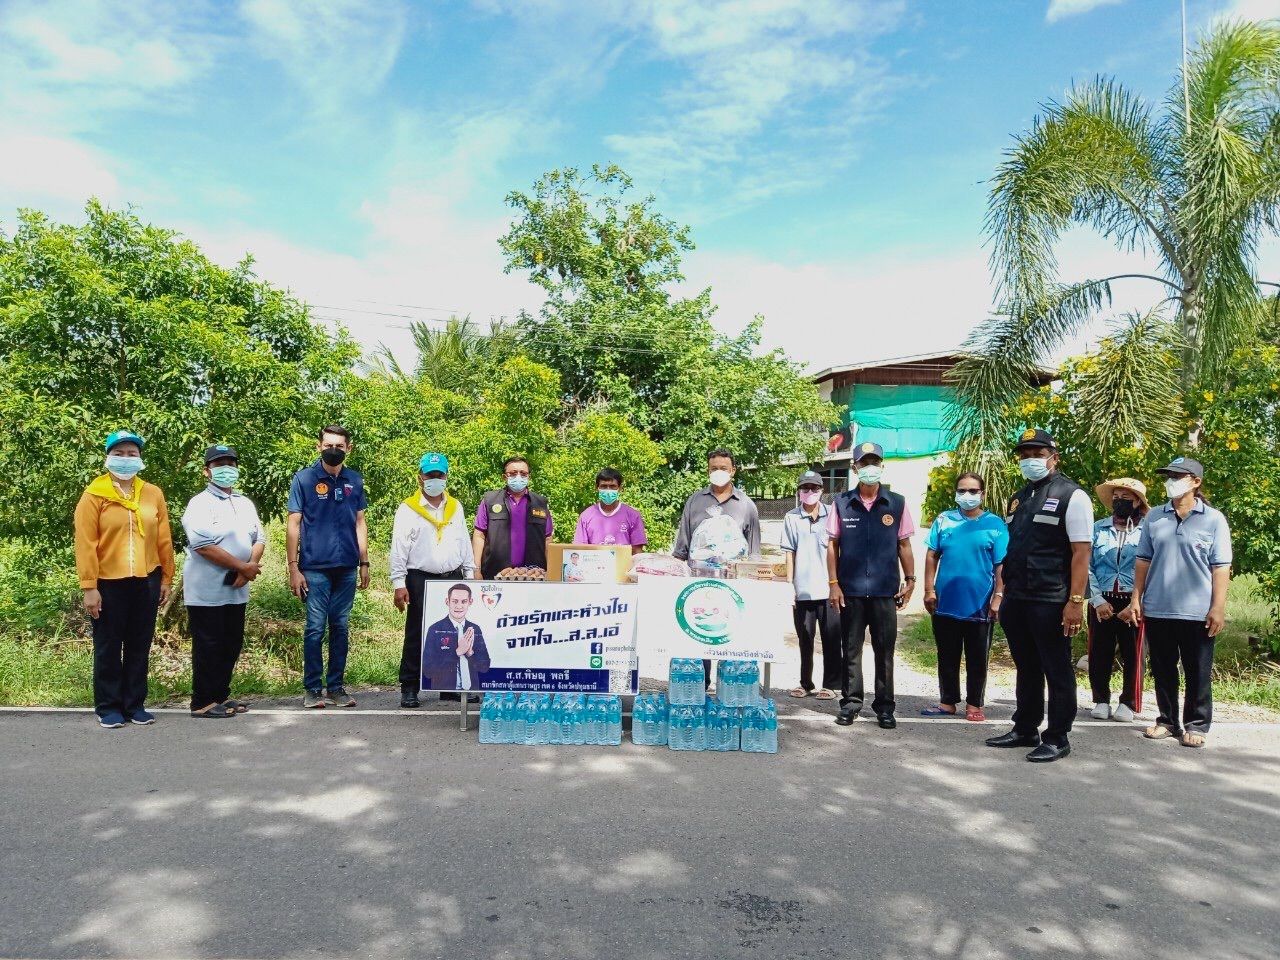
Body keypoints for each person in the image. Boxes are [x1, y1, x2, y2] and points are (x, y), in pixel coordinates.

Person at [985, 429, 1092, 763]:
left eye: (1037, 453)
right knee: (1026, 666)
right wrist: (1003, 593)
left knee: (1056, 668)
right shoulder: (1018, 498)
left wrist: (1076, 602)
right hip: (1018, 595)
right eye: (1024, 454)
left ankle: (1058, 737)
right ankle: (1025, 728)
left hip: (1052, 598)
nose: (1030, 459)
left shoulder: (1072, 495)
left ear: (1053, 457)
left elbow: (1081, 552)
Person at [1121, 457, 1231, 749]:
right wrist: (1136, 598)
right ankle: (1167, 720)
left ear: (1196, 482)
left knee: (1197, 671)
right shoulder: (1155, 517)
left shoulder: (1213, 519)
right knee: (1163, 668)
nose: (1172, 481)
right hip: (1158, 607)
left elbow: (1221, 567)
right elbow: (1143, 560)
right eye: (1169, 476)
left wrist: (1218, 607)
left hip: (1198, 611)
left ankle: (1197, 724)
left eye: (1178, 476)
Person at [74, 430, 175, 729]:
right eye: (119, 453)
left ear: (140, 458)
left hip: (146, 580)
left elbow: (164, 539)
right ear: (108, 457)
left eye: (132, 453)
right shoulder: (94, 494)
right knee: (108, 645)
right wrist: (89, 587)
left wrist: (166, 578)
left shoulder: (152, 493)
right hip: (108, 582)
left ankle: (135, 704)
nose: (126, 459)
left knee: (139, 644)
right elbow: (85, 543)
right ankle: (108, 707)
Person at [827, 442, 916, 730]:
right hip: (851, 591)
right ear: (854, 468)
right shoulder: (842, 503)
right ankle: (851, 704)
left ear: (881, 466)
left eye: (874, 462)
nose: (870, 468)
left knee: (884, 652)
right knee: (851, 650)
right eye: (864, 463)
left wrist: (911, 579)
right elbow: (833, 545)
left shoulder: (897, 503)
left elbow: (904, 544)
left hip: (884, 591)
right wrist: (834, 584)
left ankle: (885, 708)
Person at [286, 425, 369, 709]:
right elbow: (293, 524)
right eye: (328, 445)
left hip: (346, 566)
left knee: (340, 627)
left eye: (339, 446)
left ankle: (335, 688)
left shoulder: (355, 480)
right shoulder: (304, 479)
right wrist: (293, 567)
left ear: (348, 448)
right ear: (319, 446)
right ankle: (312, 689)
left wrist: (364, 562)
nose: (333, 450)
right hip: (314, 567)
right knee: (314, 628)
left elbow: (360, 522)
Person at [181, 445, 265, 719]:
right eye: (219, 464)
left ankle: (220, 695)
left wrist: (248, 568)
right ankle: (202, 701)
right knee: (209, 645)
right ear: (207, 471)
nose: (226, 468)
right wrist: (242, 567)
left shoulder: (243, 503)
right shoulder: (199, 504)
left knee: (231, 643)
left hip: (237, 587)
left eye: (230, 463)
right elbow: (203, 546)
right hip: (206, 590)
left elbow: (259, 538)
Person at [390, 452, 476, 708]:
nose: (434, 479)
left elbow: (464, 542)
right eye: (430, 475)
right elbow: (399, 548)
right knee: (418, 633)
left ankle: (448, 685)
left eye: (439, 475)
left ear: (446, 477)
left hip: (452, 577)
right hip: (421, 579)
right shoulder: (408, 509)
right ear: (420, 477)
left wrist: (470, 575)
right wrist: (399, 583)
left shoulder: (455, 507)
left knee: (453, 631)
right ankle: (409, 686)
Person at [921, 472, 1008, 722]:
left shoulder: (995, 525)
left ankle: (974, 704)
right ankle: (947, 702)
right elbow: (932, 555)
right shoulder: (944, 520)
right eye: (962, 490)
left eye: (972, 491)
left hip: (980, 604)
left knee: (977, 657)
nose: (967, 495)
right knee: (947, 654)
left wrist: (998, 596)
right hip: (945, 602)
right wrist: (929, 590)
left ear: (982, 494)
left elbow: (1001, 565)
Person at [672, 449, 762, 687]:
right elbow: (683, 546)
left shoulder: (746, 505)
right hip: (698, 584)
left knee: (731, 638)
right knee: (697, 634)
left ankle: (731, 686)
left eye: (723, 468)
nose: (718, 472)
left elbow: (754, 552)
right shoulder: (695, 501)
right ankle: (698, 686)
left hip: (733, 586)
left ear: (733, 471)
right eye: (714, 469)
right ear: (707, 470)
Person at [1086, 477, 1148, 723]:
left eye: (1126, 498)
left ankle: (1128, 702)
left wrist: (1136, 602)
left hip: (1133, 601)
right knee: (1099, 652)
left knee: (1133, 654)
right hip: (1102, 599)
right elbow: (1087, 565)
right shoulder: (1098, 528)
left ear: (1138, 502)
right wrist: (1097, 599)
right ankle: (1101, 699)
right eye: (1116, 497)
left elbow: (1151, 567)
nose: (1119, 501)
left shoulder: (1147, 531)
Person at [781, 471, 841, 701]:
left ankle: (830, 684)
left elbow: (839, 549)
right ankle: (805, 683)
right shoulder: (791, 517)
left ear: (822, 491)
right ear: (799, 491)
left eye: (814, 488)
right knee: (804, 638)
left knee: (831, 638)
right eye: (805, 488)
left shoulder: (833, 514)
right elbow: (789, 553)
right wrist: (789, 585)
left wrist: (838, 584)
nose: (809, 492)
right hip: (803, 589)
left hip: (829, 589)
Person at [472, 457, 553, 579]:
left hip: (533, 575)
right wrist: (476, 570)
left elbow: (548, 539)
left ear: (529, 477)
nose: (518, 477)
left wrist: (552, 572)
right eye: (513, 473)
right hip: (495, 575)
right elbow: (479, 535)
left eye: (523, 473)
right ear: (505, 477)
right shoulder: (490, 501)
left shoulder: (540, 503)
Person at [422, 583, 491, 692]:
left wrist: (470, 654)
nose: (459, 606)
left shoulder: (475, 629)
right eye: (454, 601)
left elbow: (484, 667)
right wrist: (457, 652)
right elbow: (428, 671)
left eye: (464, 601)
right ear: (447, 602)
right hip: (446, 692)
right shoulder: (435, 629)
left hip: (471, 692)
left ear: (470, 602)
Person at [572, 467, 648, 554]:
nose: (608, 490)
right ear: (597, 487)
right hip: (594, 562)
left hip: (624, 563)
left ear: (619, 488)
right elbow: (579, 550)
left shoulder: (633, 516)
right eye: (604, 486)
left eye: (612, 486)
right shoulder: (586, 516)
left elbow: (637, 552)